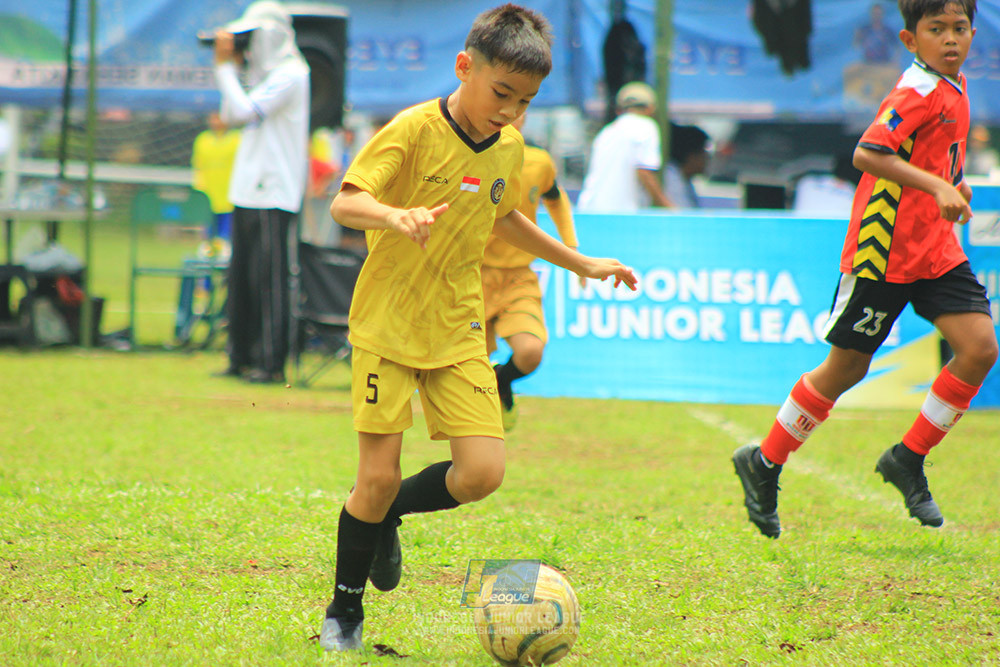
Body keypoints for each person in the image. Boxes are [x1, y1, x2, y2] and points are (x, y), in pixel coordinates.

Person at [319, 4, 637, 652]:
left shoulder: (510, 146)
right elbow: (345, 201)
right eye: (502, 93)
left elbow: (507, 214)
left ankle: (387, 516)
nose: (511, 112)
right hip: (387, 321)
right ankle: (344, 611)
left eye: (526, 101)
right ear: (465, 67)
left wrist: (580, 262)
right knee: (374, 477)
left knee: (482, 473)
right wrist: (393, 215)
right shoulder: (412, 130)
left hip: (457, 325)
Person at [733, 0, 997, 540]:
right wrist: (938, 186)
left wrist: (954, 184)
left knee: (980, 349)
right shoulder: (916, 89)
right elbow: (869, 153)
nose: (951, 39)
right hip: (884, 252)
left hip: (936, 249)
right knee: (847, 369)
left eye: (960, 28)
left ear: (974, 32)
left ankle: (908, 458)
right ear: (910, 40)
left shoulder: (955, 85)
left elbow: (930, 156)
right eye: (936, 29)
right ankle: (764, 461)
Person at [211, 0, 310, 384]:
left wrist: (224, 69)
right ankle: (239, 356)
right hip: (246, 188)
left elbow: (245, 111)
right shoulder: (258, 77)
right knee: (240, 278)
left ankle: (270, 362)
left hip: (275, 189)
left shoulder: (293, 74)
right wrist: (233, 69)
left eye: (252, 37)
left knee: (268, 281)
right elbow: (231, 114)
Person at [483, 113, 582, 431]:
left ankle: (501, 380)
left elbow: (555, 198)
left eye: (520, 104)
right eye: (501, 98)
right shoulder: (467, 156)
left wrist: (571, 245)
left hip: (517, 277)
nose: (509, 112)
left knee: (530, 352)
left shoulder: (539, 162)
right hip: (469, 275)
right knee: (468, 370)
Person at [576, 81, 674, 212]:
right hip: (619, 213)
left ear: (619, 111)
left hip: (589, 209)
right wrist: (670, 208)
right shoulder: (646, 126)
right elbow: (644, 172)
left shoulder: (606, 132)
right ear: (650, 109)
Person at [191, 111, 240, 244]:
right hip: (208, 197)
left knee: (227, 239)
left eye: (219, 118)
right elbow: (197, 166)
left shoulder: (237, 139)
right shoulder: (202, 140)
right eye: (213, 118)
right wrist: (199, 188)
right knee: (208, 239)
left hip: (230, 198)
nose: (216, 122)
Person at [663, 124, 710, 209]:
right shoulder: (671, 180)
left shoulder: (684, 180)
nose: (707, 158)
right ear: (691, 156)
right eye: (703, 152)